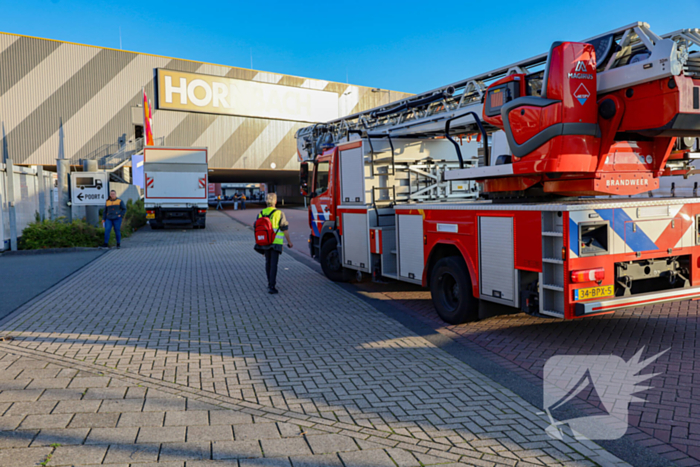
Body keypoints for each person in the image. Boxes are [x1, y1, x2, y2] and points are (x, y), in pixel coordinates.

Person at [254, 193, 293, 294]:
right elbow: (284, 229)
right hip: (275, 242)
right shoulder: (279, 213)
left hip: (264, 241)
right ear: (275, 201)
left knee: (268, 262)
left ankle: (269, 283)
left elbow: (256, 227)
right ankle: (272, 286)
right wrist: (289, 242)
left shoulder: (261, 213)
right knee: (274, 264)